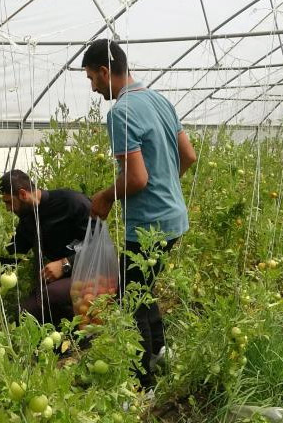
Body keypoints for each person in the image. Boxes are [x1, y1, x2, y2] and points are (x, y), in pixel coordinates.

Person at [82, 38, 197, 390]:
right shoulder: (160, 100)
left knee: (130, 300)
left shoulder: (121, 112)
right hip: (174, 218)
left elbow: (136, 178)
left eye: (92, 78)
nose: (93, 86)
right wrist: (166, 188)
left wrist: (104, 197)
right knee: (142, 289)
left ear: (105, 71)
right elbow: (189, 156)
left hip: (149, 226)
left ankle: (141, 385)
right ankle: (161, 353)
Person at [0, 169, 91, 328]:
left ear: (22, 194)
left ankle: (84, 335)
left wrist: (65, 264)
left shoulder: (72, 203)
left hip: (93, 272)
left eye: (8, 202)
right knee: (25, 313)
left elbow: (100, 245)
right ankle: (62, 343)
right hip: (64, 278)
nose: (8, 209)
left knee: (48, 297)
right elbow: (13, 253)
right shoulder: (28, 220)